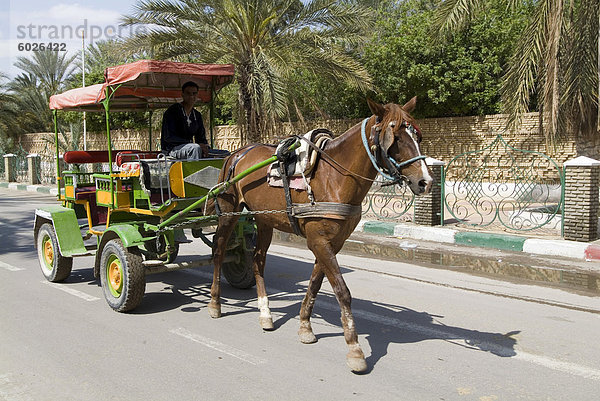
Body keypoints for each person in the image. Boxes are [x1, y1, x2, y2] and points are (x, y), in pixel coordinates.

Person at [161, 81, 210, 159]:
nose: (191, 96)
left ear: (197, 95)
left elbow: (201, 137)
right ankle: (193, 171)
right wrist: (190, 142)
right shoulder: (173, 111)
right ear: (182, 94)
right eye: (188, 93)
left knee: (220, 153)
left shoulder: (197, 115)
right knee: (194, 148)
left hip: (190, 146)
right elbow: (169, 137)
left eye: (194, 94)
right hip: (172, 149)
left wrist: (205, 146)